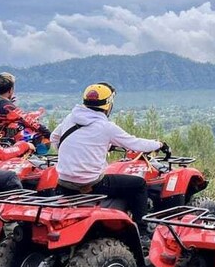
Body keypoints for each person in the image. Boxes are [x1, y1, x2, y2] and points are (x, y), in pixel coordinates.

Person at [50, 82, 169, 237]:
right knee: (139, 184)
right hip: (92, 184)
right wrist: (158, 144)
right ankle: (142, 232)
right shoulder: (106, 127)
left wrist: (75, 152)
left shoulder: (70, 119)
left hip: (64, 183)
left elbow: (54, 138)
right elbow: (135, 143)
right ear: (108, 105)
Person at [0, 72, 51, 141]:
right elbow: (28, 120)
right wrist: (47, 133)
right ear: (10, 90)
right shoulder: (7, 106)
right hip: (3, 145)